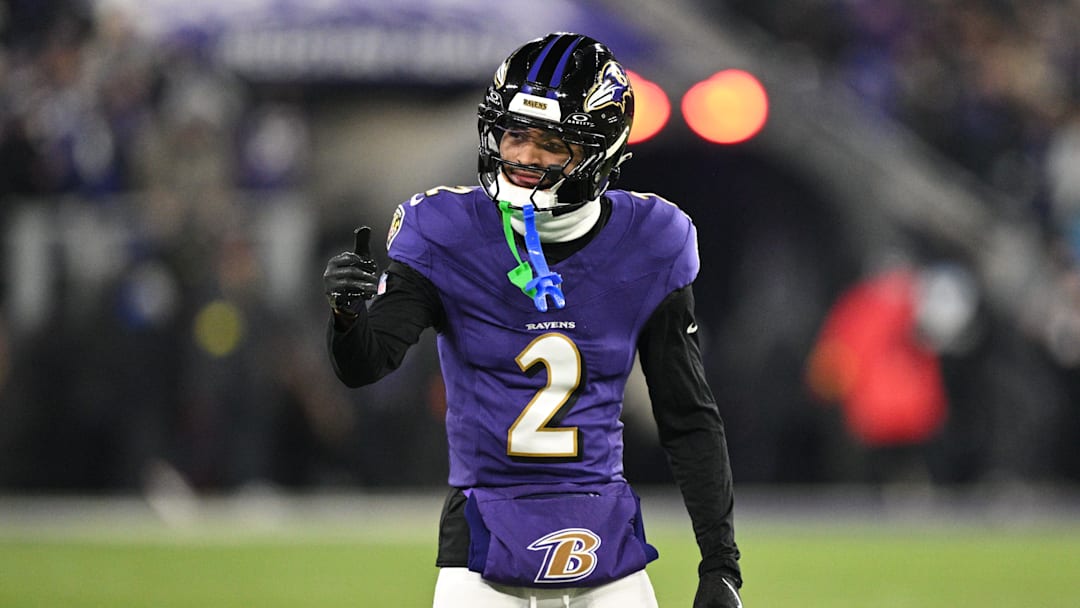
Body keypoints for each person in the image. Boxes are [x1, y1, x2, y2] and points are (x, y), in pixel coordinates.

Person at [323, 33, 743, 607]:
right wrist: (348, 318)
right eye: (515, 133)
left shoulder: (650, 242)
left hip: (603, 530)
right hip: (482, 534)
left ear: (600, 150)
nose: (523, 155)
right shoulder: (446, 231)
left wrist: (720, 564)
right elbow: (367, 364)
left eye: (550, 141)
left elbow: (687, 415)